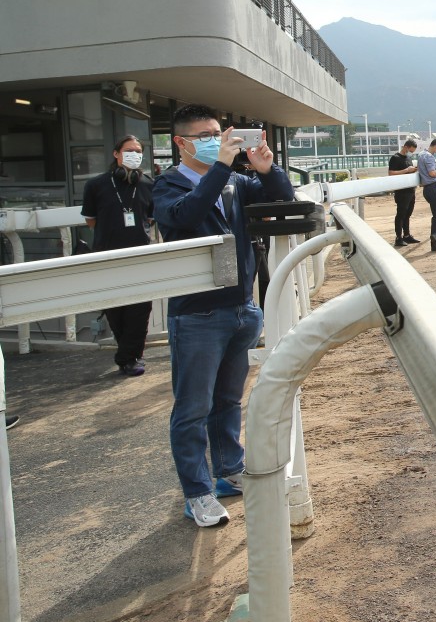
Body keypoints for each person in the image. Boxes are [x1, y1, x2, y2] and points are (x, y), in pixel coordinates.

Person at [153, 104, 294, 527]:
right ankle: (197, 492)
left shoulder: (236, 181)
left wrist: (267, 170)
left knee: (228, 400)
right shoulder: (168, 184)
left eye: (218, 134)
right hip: (197, 314)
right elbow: (186, 216)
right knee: (192, 408)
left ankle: (230, 469)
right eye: (205, 136)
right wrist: (220, 166)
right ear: (180, 143)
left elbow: (281, 200)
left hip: (241, 308)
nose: (215, 141)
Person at [81, 135, 156, 377]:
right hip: (107, 256)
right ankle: (128, 356)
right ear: (116, 154)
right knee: (115, 308)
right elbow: (91, 220)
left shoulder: (147, 184)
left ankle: (130, 357)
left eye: (138, 151)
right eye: (129, 150)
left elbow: (150, 218)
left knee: (140, 308)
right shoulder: (96, 185)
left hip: (140, 255)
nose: (135, 154)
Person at [388, 139, 420, 246]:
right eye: (410, 150)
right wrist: (406, 170)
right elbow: (391, 173)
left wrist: (414, 170)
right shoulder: (395, 158)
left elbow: (409, 171)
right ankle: (398, 237)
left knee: (408, 214)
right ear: (406, 147)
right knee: (401, 214)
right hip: (401, 191)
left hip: (410, 190)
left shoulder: (408, 158)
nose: (411, 153)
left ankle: (407, 235)